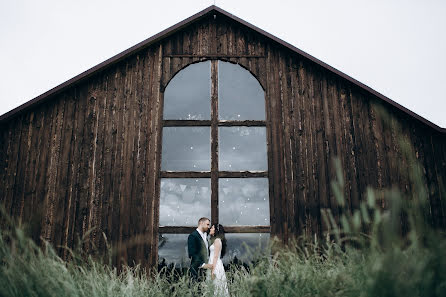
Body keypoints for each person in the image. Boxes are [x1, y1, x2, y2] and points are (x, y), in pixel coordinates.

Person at [203, 224, 230, 296]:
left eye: (212, 228)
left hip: (215, 266)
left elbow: (215, 256)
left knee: (216, 285)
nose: (210, 229)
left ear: (216, 231)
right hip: (212, 264)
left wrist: (213, 271)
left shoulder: (217, 241)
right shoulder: (215, 240)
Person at [187, 217, 210, 282]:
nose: (208, 227)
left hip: (206, 270)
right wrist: (202, 264)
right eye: (207, 224)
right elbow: (192, 254)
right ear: (201, 223)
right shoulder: (193, 236)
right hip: (196, 269)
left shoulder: (205, 236)